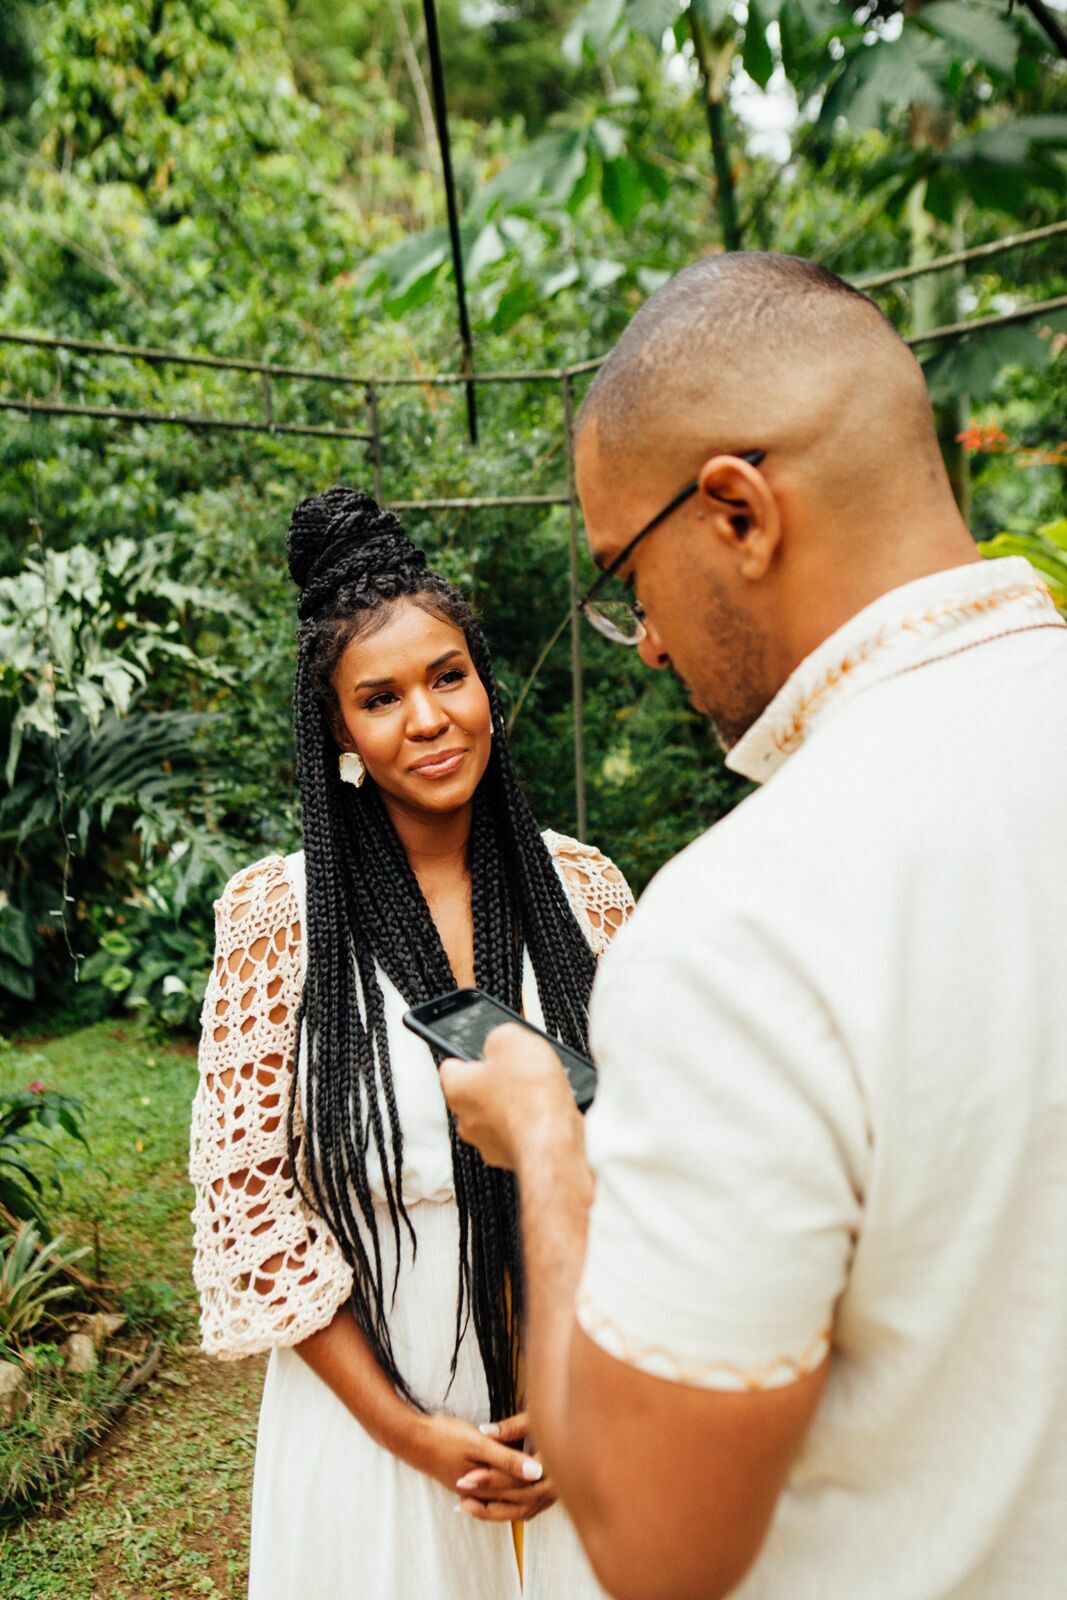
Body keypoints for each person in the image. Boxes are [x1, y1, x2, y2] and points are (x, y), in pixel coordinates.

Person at [441, 252, 1067, 1600]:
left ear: (732, 510)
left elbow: (657, 1542)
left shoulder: (748, 922)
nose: (646, 640)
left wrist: (546, 1143)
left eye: (624, 573)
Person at [189, 487, 633, 1600]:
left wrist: (580, 1394)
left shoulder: (582, 894)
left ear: (483, 680)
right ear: (338, 731)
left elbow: (652, 1156)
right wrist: (411, 1433)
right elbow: (253, 1216)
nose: (427, 718)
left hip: (583, 1413)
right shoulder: (279, 924)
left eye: (447, 676)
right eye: (378, 698)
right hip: (377, 1449)